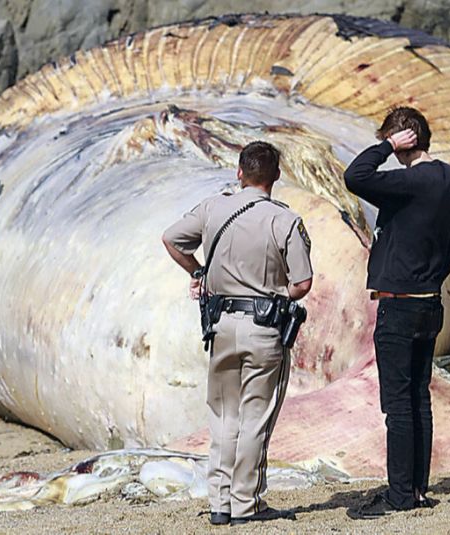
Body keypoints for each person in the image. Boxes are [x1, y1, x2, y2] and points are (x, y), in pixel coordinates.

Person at [162, 141, 313, 526]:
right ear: (276, 176)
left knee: (223, 415)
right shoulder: (285, 220)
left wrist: (199, 273)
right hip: (263, 327)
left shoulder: (214, 207)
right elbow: (303, 283)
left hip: (220, 324)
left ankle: (220, 502)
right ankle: (248, 503)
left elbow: (172, 239)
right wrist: (275, 290)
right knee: (255, 417)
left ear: (239, 172)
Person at [343, 107, 450, 517]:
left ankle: (398, 496)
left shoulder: (410, 181)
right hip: (430, 301)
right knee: (419, 399)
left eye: (394, 141)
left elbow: (354, 177)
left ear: (405, 138)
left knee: (397, 405)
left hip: (399, 304)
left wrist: (385, 146)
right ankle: (417, 490)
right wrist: (430, 278)